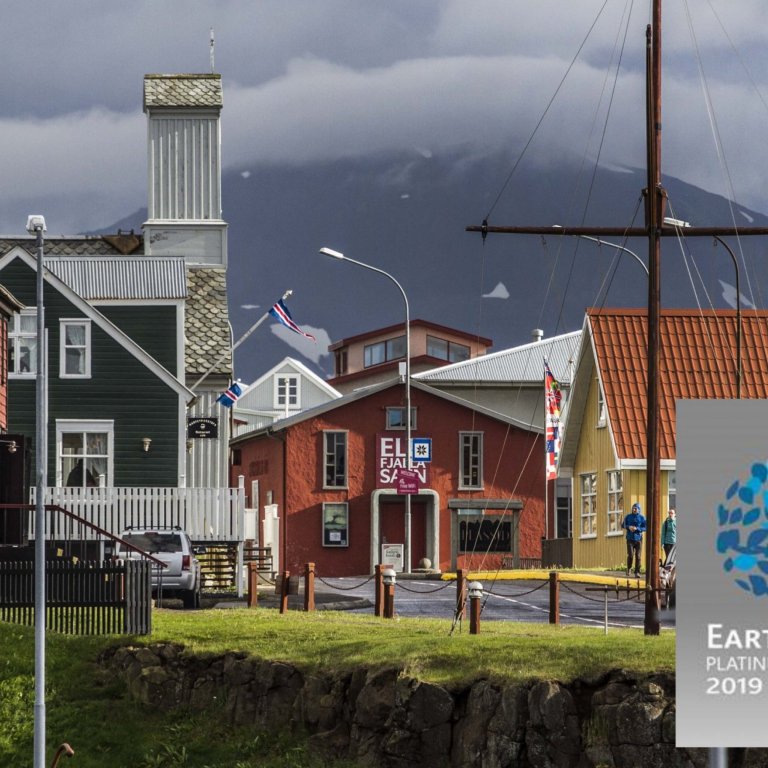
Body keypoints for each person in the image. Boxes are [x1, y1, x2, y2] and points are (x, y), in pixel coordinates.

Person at [622, 502, 646, 578]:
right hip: (630, 538)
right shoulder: (628, 517)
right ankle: (629, 569)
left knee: (638, 556)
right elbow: (623, 525)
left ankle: (637, 572)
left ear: (639, 510)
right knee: (631, 555)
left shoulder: (642, 518)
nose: (634, 510)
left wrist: (637, 529)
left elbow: (645, 528)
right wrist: (629, 527)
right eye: (633, 508)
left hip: (639, 539)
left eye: (636, 508)